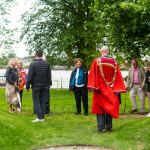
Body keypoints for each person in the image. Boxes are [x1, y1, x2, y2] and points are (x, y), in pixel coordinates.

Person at [88, 46, 126, 132]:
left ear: (101, 51)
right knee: (109, 106)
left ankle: (101, 128)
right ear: (108, 51)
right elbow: (118, 77)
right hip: (111, 88)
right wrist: (117, 88)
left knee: (100, 108)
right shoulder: (114, 62)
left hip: (100, 89)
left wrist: (93, 86)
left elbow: (93, 75)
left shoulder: (96, 61)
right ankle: (109, 126)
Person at [26, 49, 52, 122]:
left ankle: (39, 118)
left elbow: (29, 77)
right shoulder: (47, 64)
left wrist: (27, 86)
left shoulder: (33, 64)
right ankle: (42, 117)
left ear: (35, 55)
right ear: (42, 55)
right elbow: (49, 76)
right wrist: (49, 84)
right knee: (43, 101)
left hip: (36, 86)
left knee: (36, 102)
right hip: (45, 86)